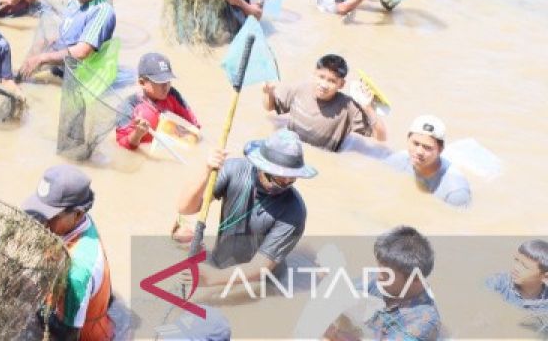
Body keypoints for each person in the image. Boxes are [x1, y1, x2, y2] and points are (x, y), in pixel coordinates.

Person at [174, 129, 316, 286]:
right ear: (261, 166)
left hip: (260, 284)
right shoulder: (233, 170)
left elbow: (259, 268)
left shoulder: (294, 212)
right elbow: (184, 207)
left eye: (292, 179)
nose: (286, 185)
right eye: (281, 179)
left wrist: (212, 278)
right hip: (219, 262)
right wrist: (206, 170)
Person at [22, 165, 115, 341]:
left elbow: (68, 336)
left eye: (51, 216)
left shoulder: (77, 271)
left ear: (78, 214)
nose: (42, 222)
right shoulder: (79, 222)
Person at [323, 226, 441, 341]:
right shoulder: (380, 279)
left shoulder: (424, 321)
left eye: (386, 274)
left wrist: (335, 335)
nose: (378, 277)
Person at [262, 54, 386, 152]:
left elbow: (381, 138)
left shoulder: (348, 107)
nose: (324, 85)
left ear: (341, 84)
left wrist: (367, 107)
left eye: (332, 81)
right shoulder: (299, 89)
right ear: (314, 74)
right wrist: (268, 93)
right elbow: (270, 107)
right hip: (290, 150)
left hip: (323, 155)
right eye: (321, 77)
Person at [18, 0, 116, 79]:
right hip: (60, 63)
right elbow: (67, 30)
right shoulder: (74, 1)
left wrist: (42, 58)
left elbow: (82, 52)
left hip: (79, 76)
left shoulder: (102, 11)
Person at [115, 53, 200, 151]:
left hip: (168, 149)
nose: (166, 87)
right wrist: (137, 134)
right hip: (146, 155)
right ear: (142, 83)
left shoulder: (172, 95)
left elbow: (194, 124)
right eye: (160, 82)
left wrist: (191, 136)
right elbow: (122, 146)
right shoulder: (129, 105)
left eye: (168, 81)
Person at [384, 115, 471, 208]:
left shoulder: (455, 192)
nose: (419, 152)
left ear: (440, 150)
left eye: (427, 147)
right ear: (407, 140)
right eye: (416, 143)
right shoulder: (400, 159)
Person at [485, 239, 548, 311]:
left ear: (545, 277)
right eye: (516, 260)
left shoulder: (545, 303)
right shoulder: (498, 283)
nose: (516, 268)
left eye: (525, 266)